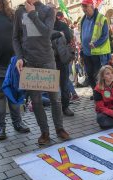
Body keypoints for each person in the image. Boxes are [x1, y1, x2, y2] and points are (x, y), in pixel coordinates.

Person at [13, 0, 70, 145]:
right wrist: (19, 57)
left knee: (55, 99)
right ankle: (44, 132)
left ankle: (59, 128)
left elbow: (46, 33)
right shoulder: (19, 11)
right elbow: (15, 37)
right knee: (36, 101)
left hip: (47, 60)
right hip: (29, 62)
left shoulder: (48, 10)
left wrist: (32, 13)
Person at [0, 0, 30, 140]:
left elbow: (22, 35)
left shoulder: (12, 14)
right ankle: (0, 127)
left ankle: (17, 122)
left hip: (14, 63)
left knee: (14, 94)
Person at [80, 0, 111, 100]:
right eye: (82, 6)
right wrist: (81, 50)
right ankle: (96, 92)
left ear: (92, 6)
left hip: (98, 53)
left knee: (100, 76)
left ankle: (104, 95)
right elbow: (82, 35)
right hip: (86, 53)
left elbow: (105, 35)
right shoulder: (83, 19)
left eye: (85, 6)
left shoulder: (101, 18)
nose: (84, 9)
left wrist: (95, 43)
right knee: (89, 75)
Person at [47, 5, 75, 117]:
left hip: (61, 59)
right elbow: (43, 38)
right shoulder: (43, 25)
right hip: (48, 59)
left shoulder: (62, 24)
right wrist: (58, 35)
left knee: (64, 84)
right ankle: (55, 108)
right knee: (51, 87)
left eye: (52, 12)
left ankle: (65, 106)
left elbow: (67, 38)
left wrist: (53, 36)